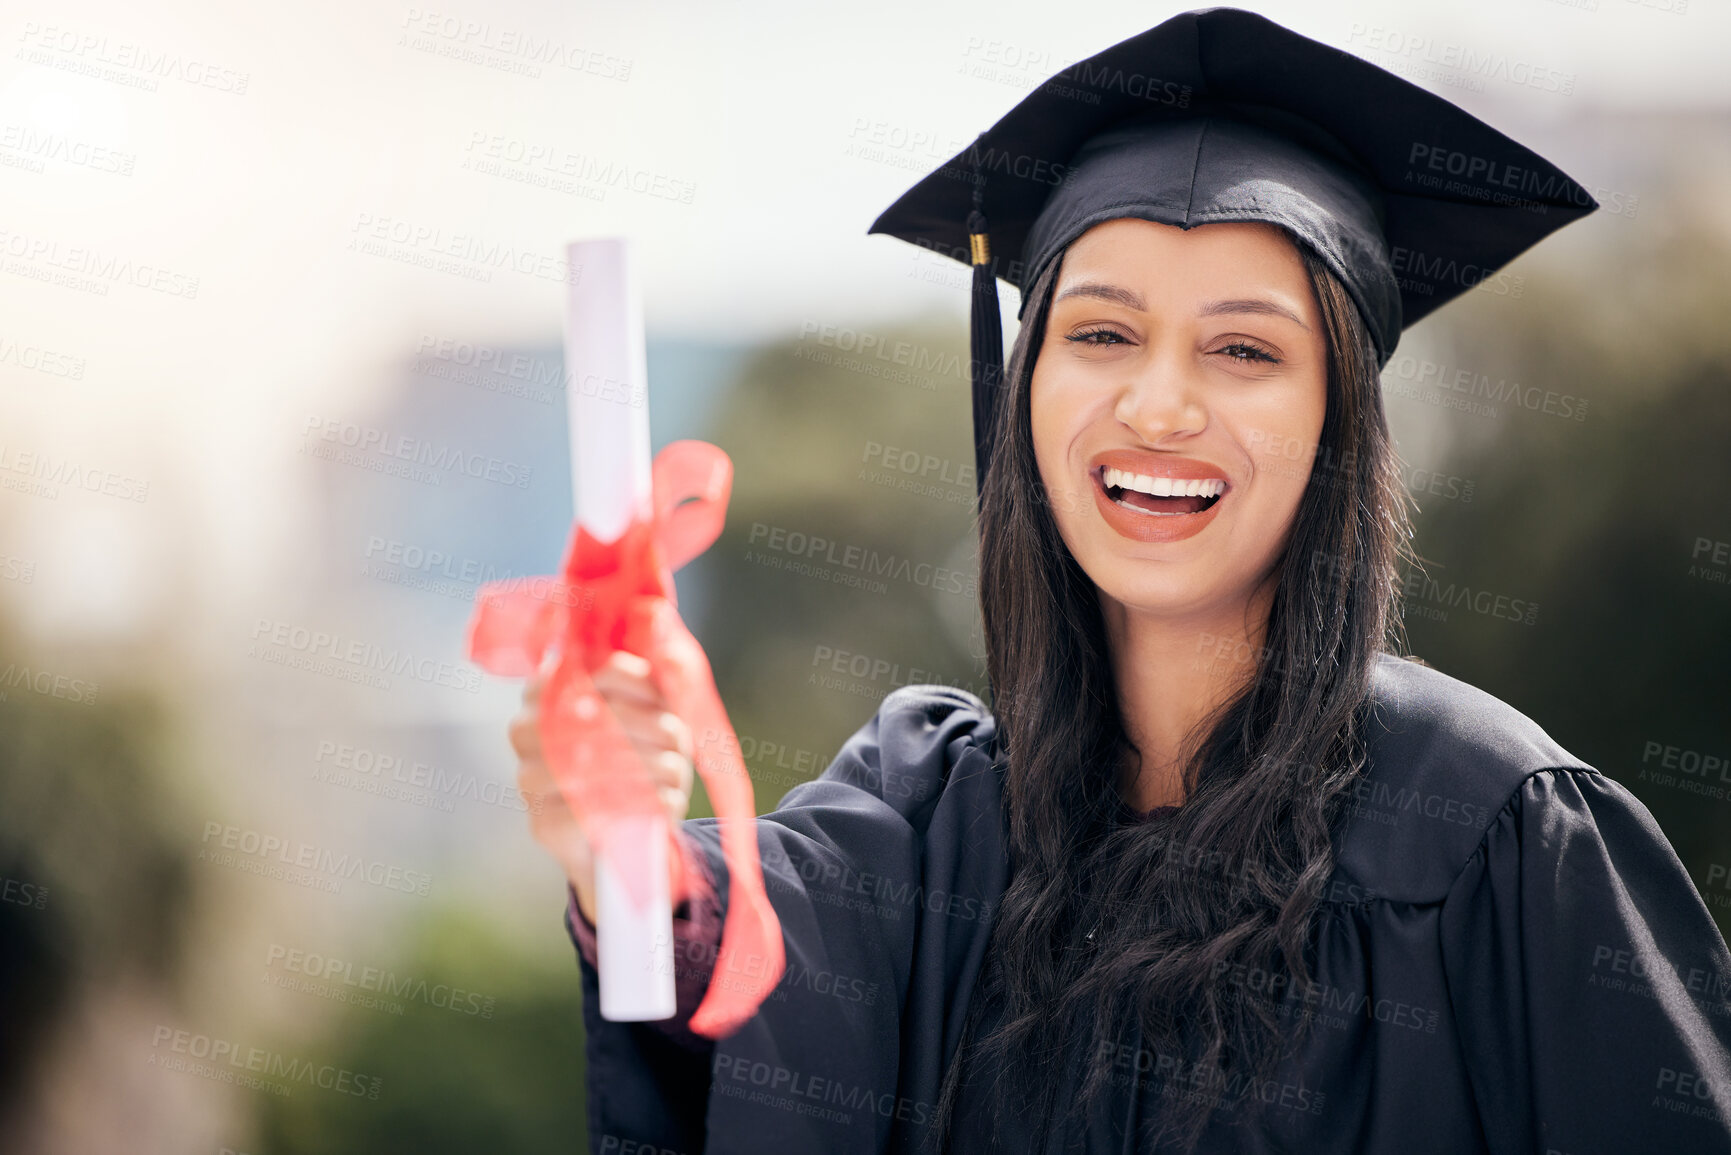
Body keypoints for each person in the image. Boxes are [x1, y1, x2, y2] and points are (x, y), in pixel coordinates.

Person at [509, 9, 1731, 1153]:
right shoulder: (932, 818)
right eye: (1099, 334)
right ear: (1026, 387)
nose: (1157, 403)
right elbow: (753, 962)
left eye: (1246, 350)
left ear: (1339, 424)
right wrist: (631, 857)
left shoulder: (1496, 834)